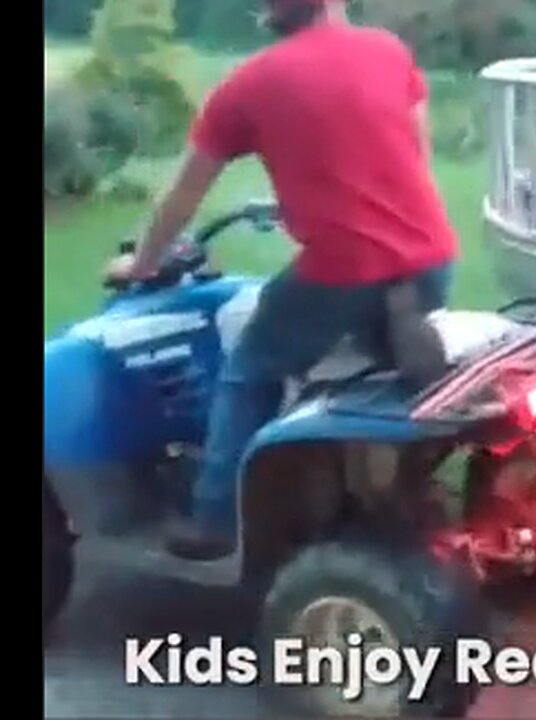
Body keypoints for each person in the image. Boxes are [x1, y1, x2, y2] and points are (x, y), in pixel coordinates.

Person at [103, 0, 459, 561]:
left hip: (343, 267)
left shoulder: (250, 84)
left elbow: (184, 194)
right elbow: (414, 151)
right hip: (432, 256)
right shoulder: (388, 50)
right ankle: (390, 481)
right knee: (371, 367)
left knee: (249, 370)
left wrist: (144, 263)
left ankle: (215, 519)